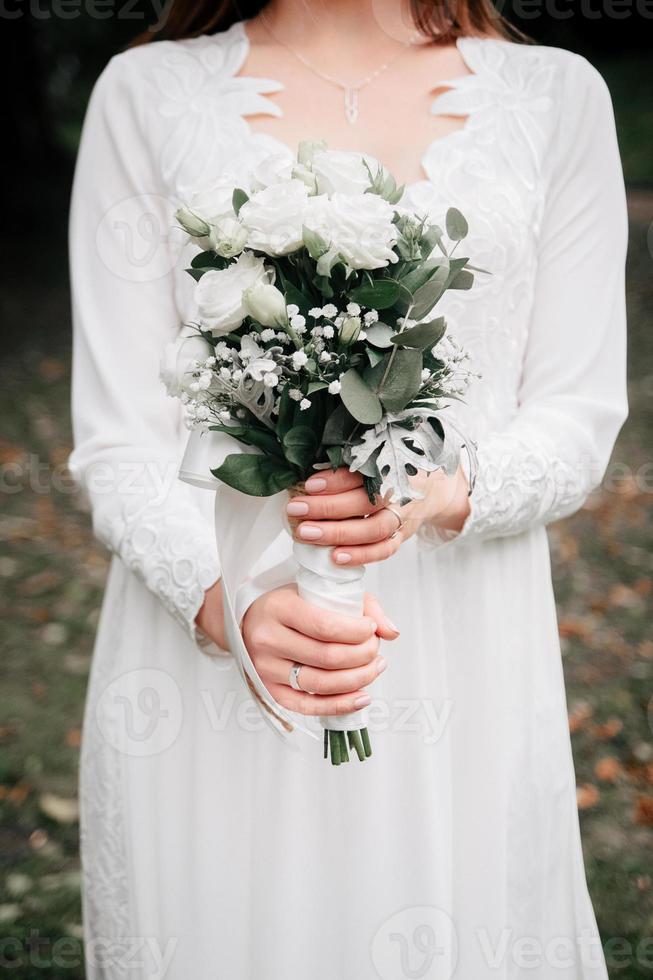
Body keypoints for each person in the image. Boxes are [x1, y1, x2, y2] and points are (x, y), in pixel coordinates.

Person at [69, 1, 627, 977]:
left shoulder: (556, 98)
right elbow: (117, 439)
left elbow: (578, 414)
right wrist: (224, 601)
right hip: (220, 641)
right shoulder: (145, 93)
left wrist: (443, 491)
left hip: (461, 650)